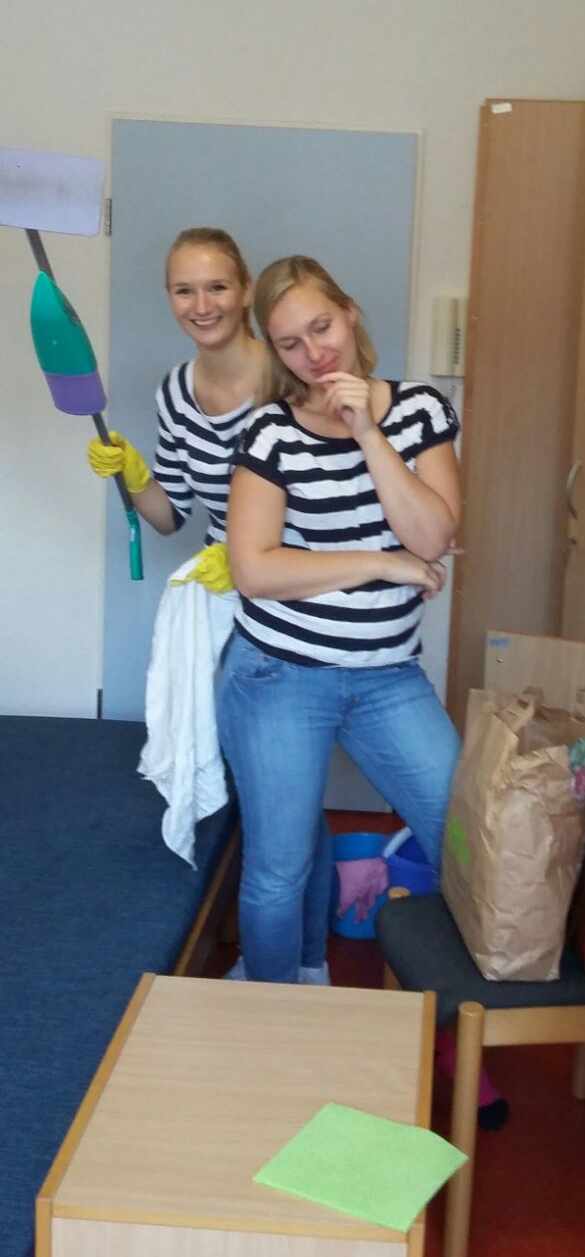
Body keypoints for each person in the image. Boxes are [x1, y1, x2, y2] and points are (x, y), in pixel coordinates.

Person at [85, 228, 333, 982]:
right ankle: (300, 961)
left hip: (299, 604)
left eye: (217, 286)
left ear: (246, 289)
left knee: (281, 800)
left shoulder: (289, 376)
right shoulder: (174, 392)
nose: (202, 304)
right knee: (279, 798)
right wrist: (133, 477)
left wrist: (258, 555)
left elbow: (333, 502)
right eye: (184, 290)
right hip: (232, 613)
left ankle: (302, 964)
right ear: (169, 297)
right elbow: (173, 516)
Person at [215, 254, 462, 986]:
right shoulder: (269, 433)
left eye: (322, 327)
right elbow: (255, 570)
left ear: (350, 313)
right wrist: (381, 563)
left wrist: (369, 435)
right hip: (277, 674)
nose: (314, 353)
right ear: (276, 352)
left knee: (462, 836)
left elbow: (431, 537)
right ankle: (276, 1010)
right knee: (279, 868)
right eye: (290, 343)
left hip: (387, 676)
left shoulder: (419, 411)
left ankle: (460, 1005)